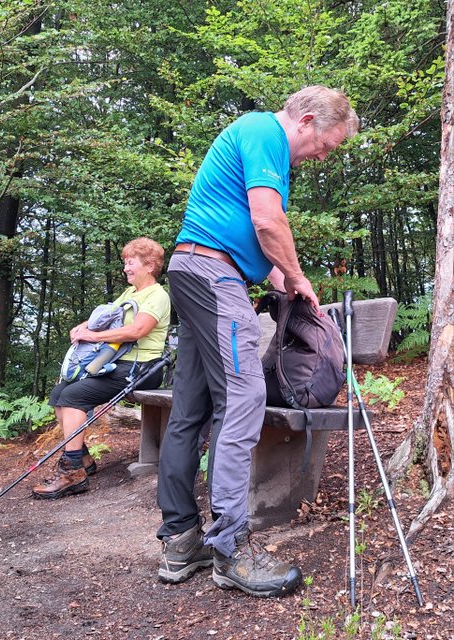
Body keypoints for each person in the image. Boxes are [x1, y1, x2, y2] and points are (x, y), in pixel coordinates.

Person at [156, 86, 359, 597]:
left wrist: (289, 281)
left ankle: (181, 540)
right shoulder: (264, 132)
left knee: (190, 408)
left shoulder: (258, 142)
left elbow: (256, 237)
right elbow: (268, 221)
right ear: (306, 120)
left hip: (195, 269)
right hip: (213, 275)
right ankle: (230, 548)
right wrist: (297, 275)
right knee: (244, 399)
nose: (322, 156)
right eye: (326, 145)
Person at [33, 237, 171, 500]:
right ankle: (82, 459)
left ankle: (72, 472)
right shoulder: (130, 293)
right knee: (59, 393)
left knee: (72, 397)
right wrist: (83, 327)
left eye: (131, 263)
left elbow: (136, 330)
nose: (125, 268)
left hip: (142, 369)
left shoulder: (157, 295)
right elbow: (106, 316)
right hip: (119, 365)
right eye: (125, 263)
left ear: (150, 265)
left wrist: (93, 337)